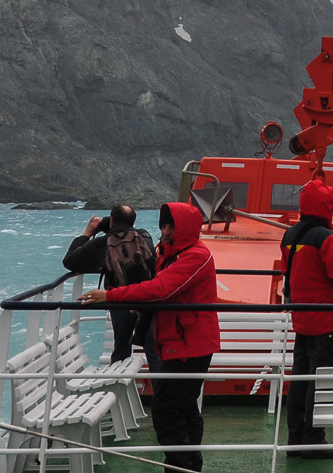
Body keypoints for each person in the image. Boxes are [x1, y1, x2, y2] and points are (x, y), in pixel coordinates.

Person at [83, 202, 220, 473]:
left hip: (190, 344)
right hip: (181, 342)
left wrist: (110, 295)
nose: (165, 231)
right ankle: (189, 466)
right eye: (163, 225)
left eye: (171, 226)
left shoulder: (196, 256)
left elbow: (161, 289)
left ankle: (180, 466)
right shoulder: (170, 254)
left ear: (185, 229)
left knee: (166, 408)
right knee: (183, 407)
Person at [279, 180, 333, 461]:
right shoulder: (327, 238)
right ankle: (314, 439)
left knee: (300, 379)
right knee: (320, 380)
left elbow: (288, 272)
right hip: (325, 321)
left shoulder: (290, 235)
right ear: (327, 206)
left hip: (302, 319)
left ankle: (295, 438)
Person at [61, 205, 157, 365]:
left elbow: (70, 262)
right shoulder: (144, 237)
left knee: (121, 347)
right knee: (152, 348)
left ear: (112, 220)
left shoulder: (105, 242)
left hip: (119, 301)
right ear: (133, 221)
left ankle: (119, 377)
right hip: (148, 298)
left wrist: (87, 234)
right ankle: (160, 380)